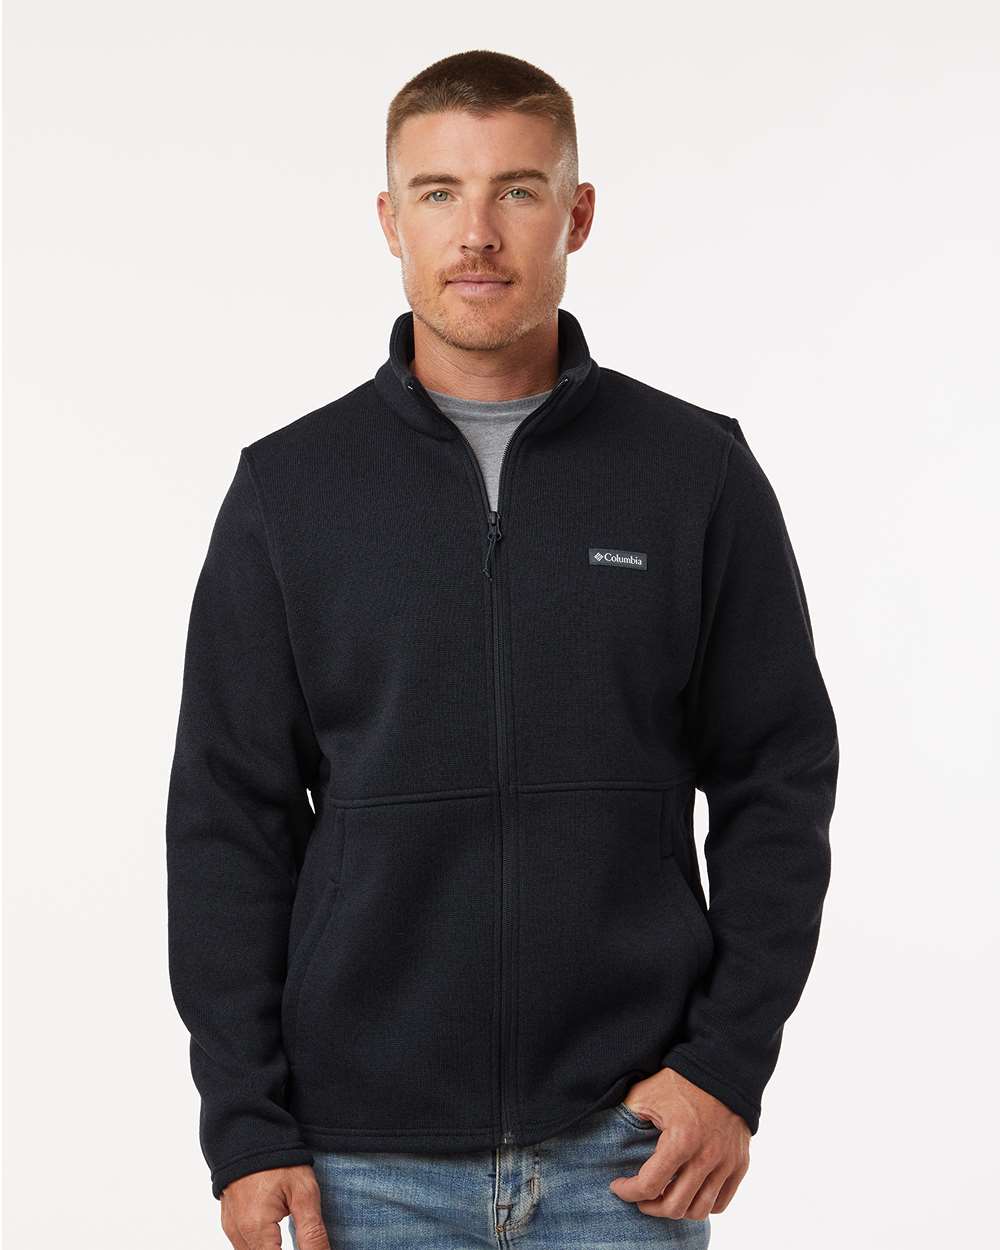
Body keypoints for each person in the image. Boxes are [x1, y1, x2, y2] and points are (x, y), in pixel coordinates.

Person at [166, 48, 839, 1250]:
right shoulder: (290, 490)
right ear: (391, 220)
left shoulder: (694, 473)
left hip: (626, 1154)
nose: (475, 233)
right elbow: (228, 817)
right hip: (360, 1162)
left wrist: (726, 1064)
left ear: (577, 213)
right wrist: (247, 1126)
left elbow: (777, 780)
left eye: (517, 190)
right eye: (438, 192)